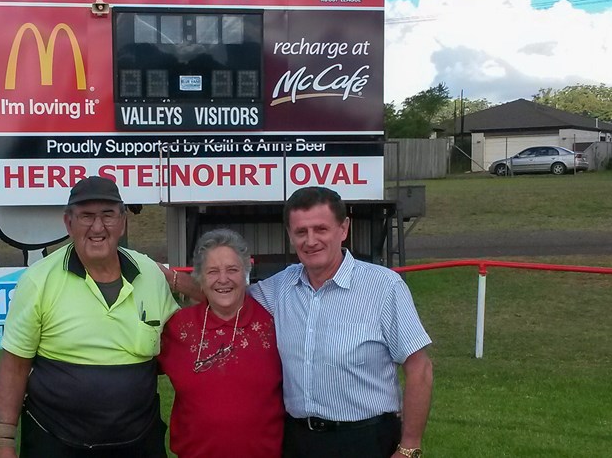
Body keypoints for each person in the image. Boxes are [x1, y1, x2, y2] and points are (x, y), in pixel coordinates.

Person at [168, 186, 433, 458]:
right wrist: (168, 277)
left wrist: (409, 446)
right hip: (298, 441)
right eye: (301, 232)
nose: (311, 240)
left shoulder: (384, 286)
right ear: (290, 236)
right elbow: (225, 292)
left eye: (321, 229)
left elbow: (419, 368)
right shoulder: (280, 287)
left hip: (365, 438)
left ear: (343, 229)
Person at [0, 176, 179, 457]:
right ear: (68, 223)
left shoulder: (150, 275)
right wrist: (3, 441)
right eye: (86, 216)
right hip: (54, 441)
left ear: (123, 221)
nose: (98, 227)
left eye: (108, 215)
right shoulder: (38, 281)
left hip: (138, 441)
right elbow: (14, 366)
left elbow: (179, 346)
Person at [158, 229, 284, 458]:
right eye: (213, 271)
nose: (223, 279)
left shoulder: (274, 325)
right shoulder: (177, 328)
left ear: (246, 272)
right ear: (200, 277)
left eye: (232, 270)